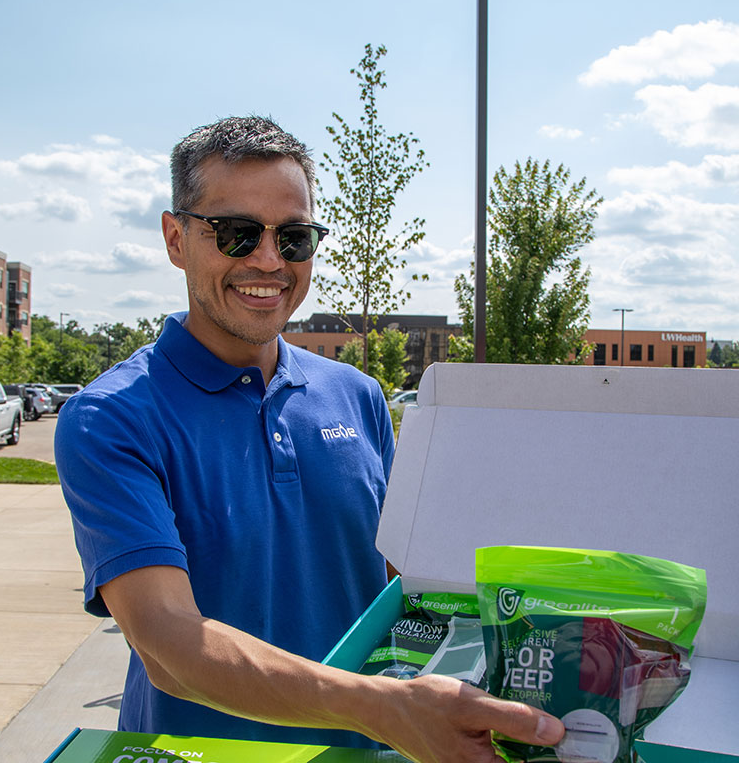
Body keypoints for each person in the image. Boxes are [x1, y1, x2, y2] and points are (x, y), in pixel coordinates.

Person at [54, 116, 564, 762]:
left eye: (293, 237)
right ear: (176, 238)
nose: (269, 260)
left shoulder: (358, 395)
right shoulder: (112, 417)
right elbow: (169, 647)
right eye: (238, 233)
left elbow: (409, 591)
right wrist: (377, 706)